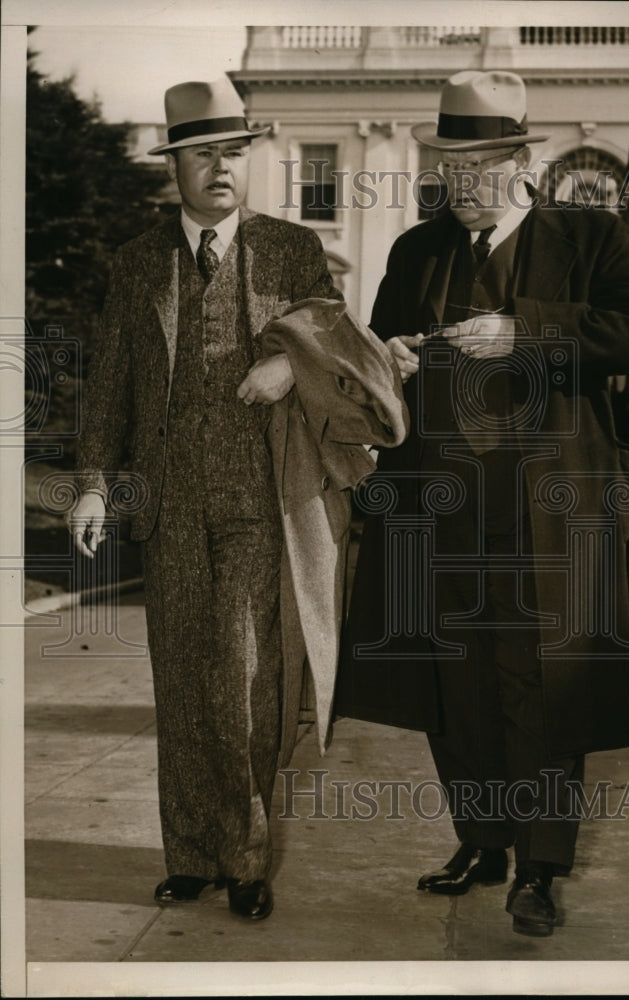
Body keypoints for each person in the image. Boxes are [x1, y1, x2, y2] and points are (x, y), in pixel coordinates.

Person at [70, 76, 407, 922]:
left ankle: (247, 858)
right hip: (168, 506)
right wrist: (92, 485)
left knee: (247, 680)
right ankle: (191, 855)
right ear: (174, 167)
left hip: (261, 500)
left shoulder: (290, 248)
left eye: (232, 152)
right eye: (202, 155)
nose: (221, 167)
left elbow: (341, 343)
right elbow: (108, 382)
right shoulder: (137, 260)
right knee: (182, 681)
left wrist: (291, 362)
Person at [335, 70, 629, 936]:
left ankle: (540, 867)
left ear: (523, 162)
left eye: (478, 168)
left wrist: (527, 329)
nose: (461, 185)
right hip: (438, 507)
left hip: (547, 510)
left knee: (543, 685)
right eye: (448, 168)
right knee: (455, 682)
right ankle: (481, 839)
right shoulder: (417, 250)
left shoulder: (589, 236)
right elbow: (377, 354)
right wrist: (393, 356)